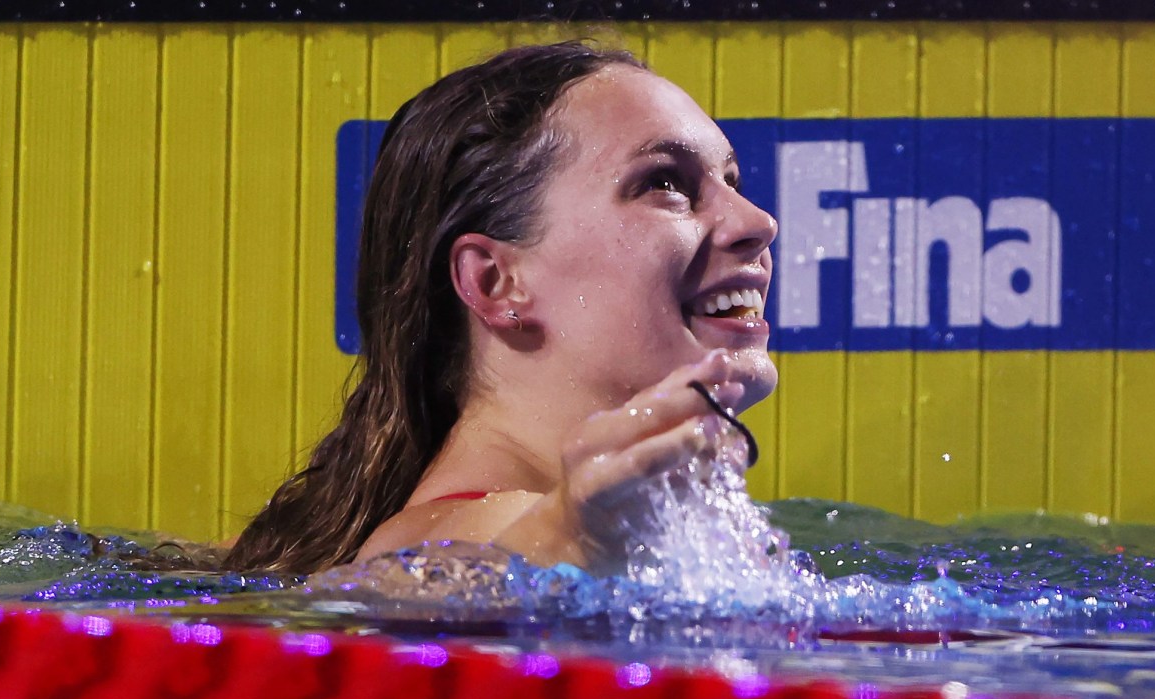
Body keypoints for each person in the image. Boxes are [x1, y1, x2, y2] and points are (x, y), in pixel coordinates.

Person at [224, 41, 778, 576]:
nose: (758, 222)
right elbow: (421, 577)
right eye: (664, 182)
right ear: (495, 282)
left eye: (730, 181)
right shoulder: (470, 531)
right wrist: (567, 537)